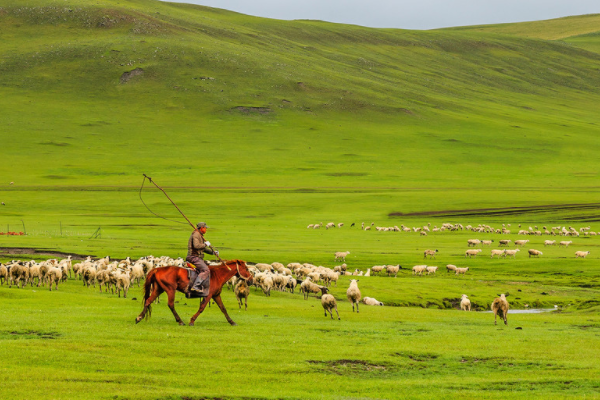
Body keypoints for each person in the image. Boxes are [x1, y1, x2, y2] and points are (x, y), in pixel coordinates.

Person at [186, 222, 218, 295]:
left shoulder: (199, 235)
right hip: (193, 257)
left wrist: (213, 252)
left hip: (197, 257)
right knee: (206, 270)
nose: (206, 229)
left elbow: (202, 249)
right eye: (205, 228)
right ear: (201, 228)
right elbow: (197, 246)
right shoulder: (196, 234)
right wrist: (205, 244)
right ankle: (196, 286)